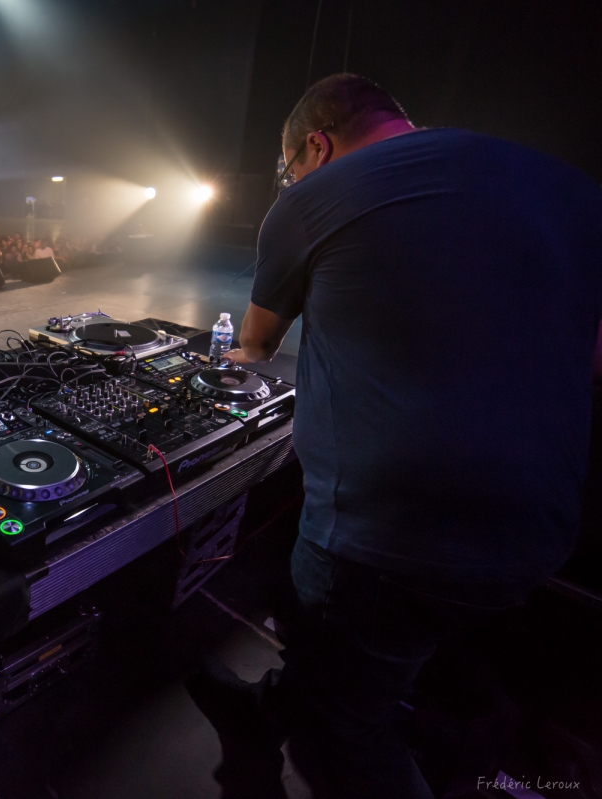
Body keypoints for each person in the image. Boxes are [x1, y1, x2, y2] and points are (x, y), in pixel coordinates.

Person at [191, 73, 602, 799]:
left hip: (384, 537)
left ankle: (291, 724)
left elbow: (254, 344)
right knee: (370, 663)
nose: (291, 181)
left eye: (289, 167)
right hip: (542, 530)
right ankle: (261, 714)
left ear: (316, 146)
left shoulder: (313, 197)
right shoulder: (567, 188)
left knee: (342, 730)